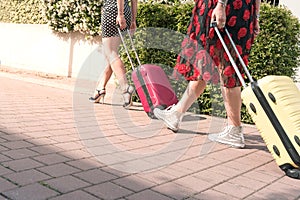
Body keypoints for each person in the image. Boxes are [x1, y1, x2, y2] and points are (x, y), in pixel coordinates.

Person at [154, 0, 261, 148]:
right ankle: (176, 114)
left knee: (227, 67)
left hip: (220, 6)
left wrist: (221, 5)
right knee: (206, 64)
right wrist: (256, 16)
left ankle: (234, 130)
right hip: (244, 9)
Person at [89, 0, 137, 108]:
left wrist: (120, 14)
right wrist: (133, 20)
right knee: (111, 55)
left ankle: (125, 88)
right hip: (126, 12)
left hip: (113, 11)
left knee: (111, 53)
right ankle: (100, 88)